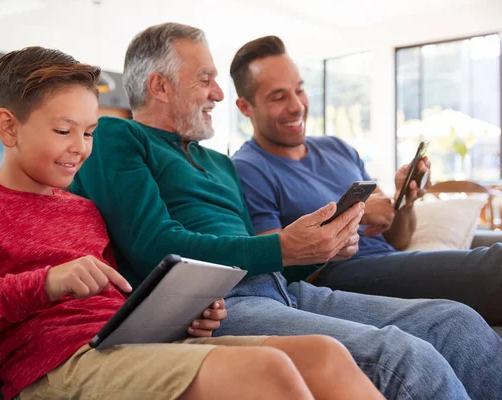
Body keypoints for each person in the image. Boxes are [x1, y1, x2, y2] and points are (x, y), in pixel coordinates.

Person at [0, 46, 383, 400]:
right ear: (9, 127)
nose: (80, 148)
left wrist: (183, 319)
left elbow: (117, 304)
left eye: (89, 132)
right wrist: (45, 284)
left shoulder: (83, 210)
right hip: (55, 368)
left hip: (123, 348)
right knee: (266, 371)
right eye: (63, 131)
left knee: (323, 353)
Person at [72, 23, 502, 400]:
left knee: (456, 323)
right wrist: (282, 247)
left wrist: (320, 247)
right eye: (205, 80)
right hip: (214, 307)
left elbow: (263, 260)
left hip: (281, 290)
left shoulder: (218, 162)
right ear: (159, 86)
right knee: (402, 356)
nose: (219, 94)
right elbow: (153, 247)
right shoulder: (117, 135)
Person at [229, 35, 502, 325]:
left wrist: (404, 203)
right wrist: (354, 214)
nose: (297, 106)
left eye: (299, 90)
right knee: (494, 265)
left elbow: (398, 239)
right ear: (245, 107)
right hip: (338, 276)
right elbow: (274, 267)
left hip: (388, 263)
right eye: (279, 97)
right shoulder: (247, 169)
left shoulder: (338, 148)